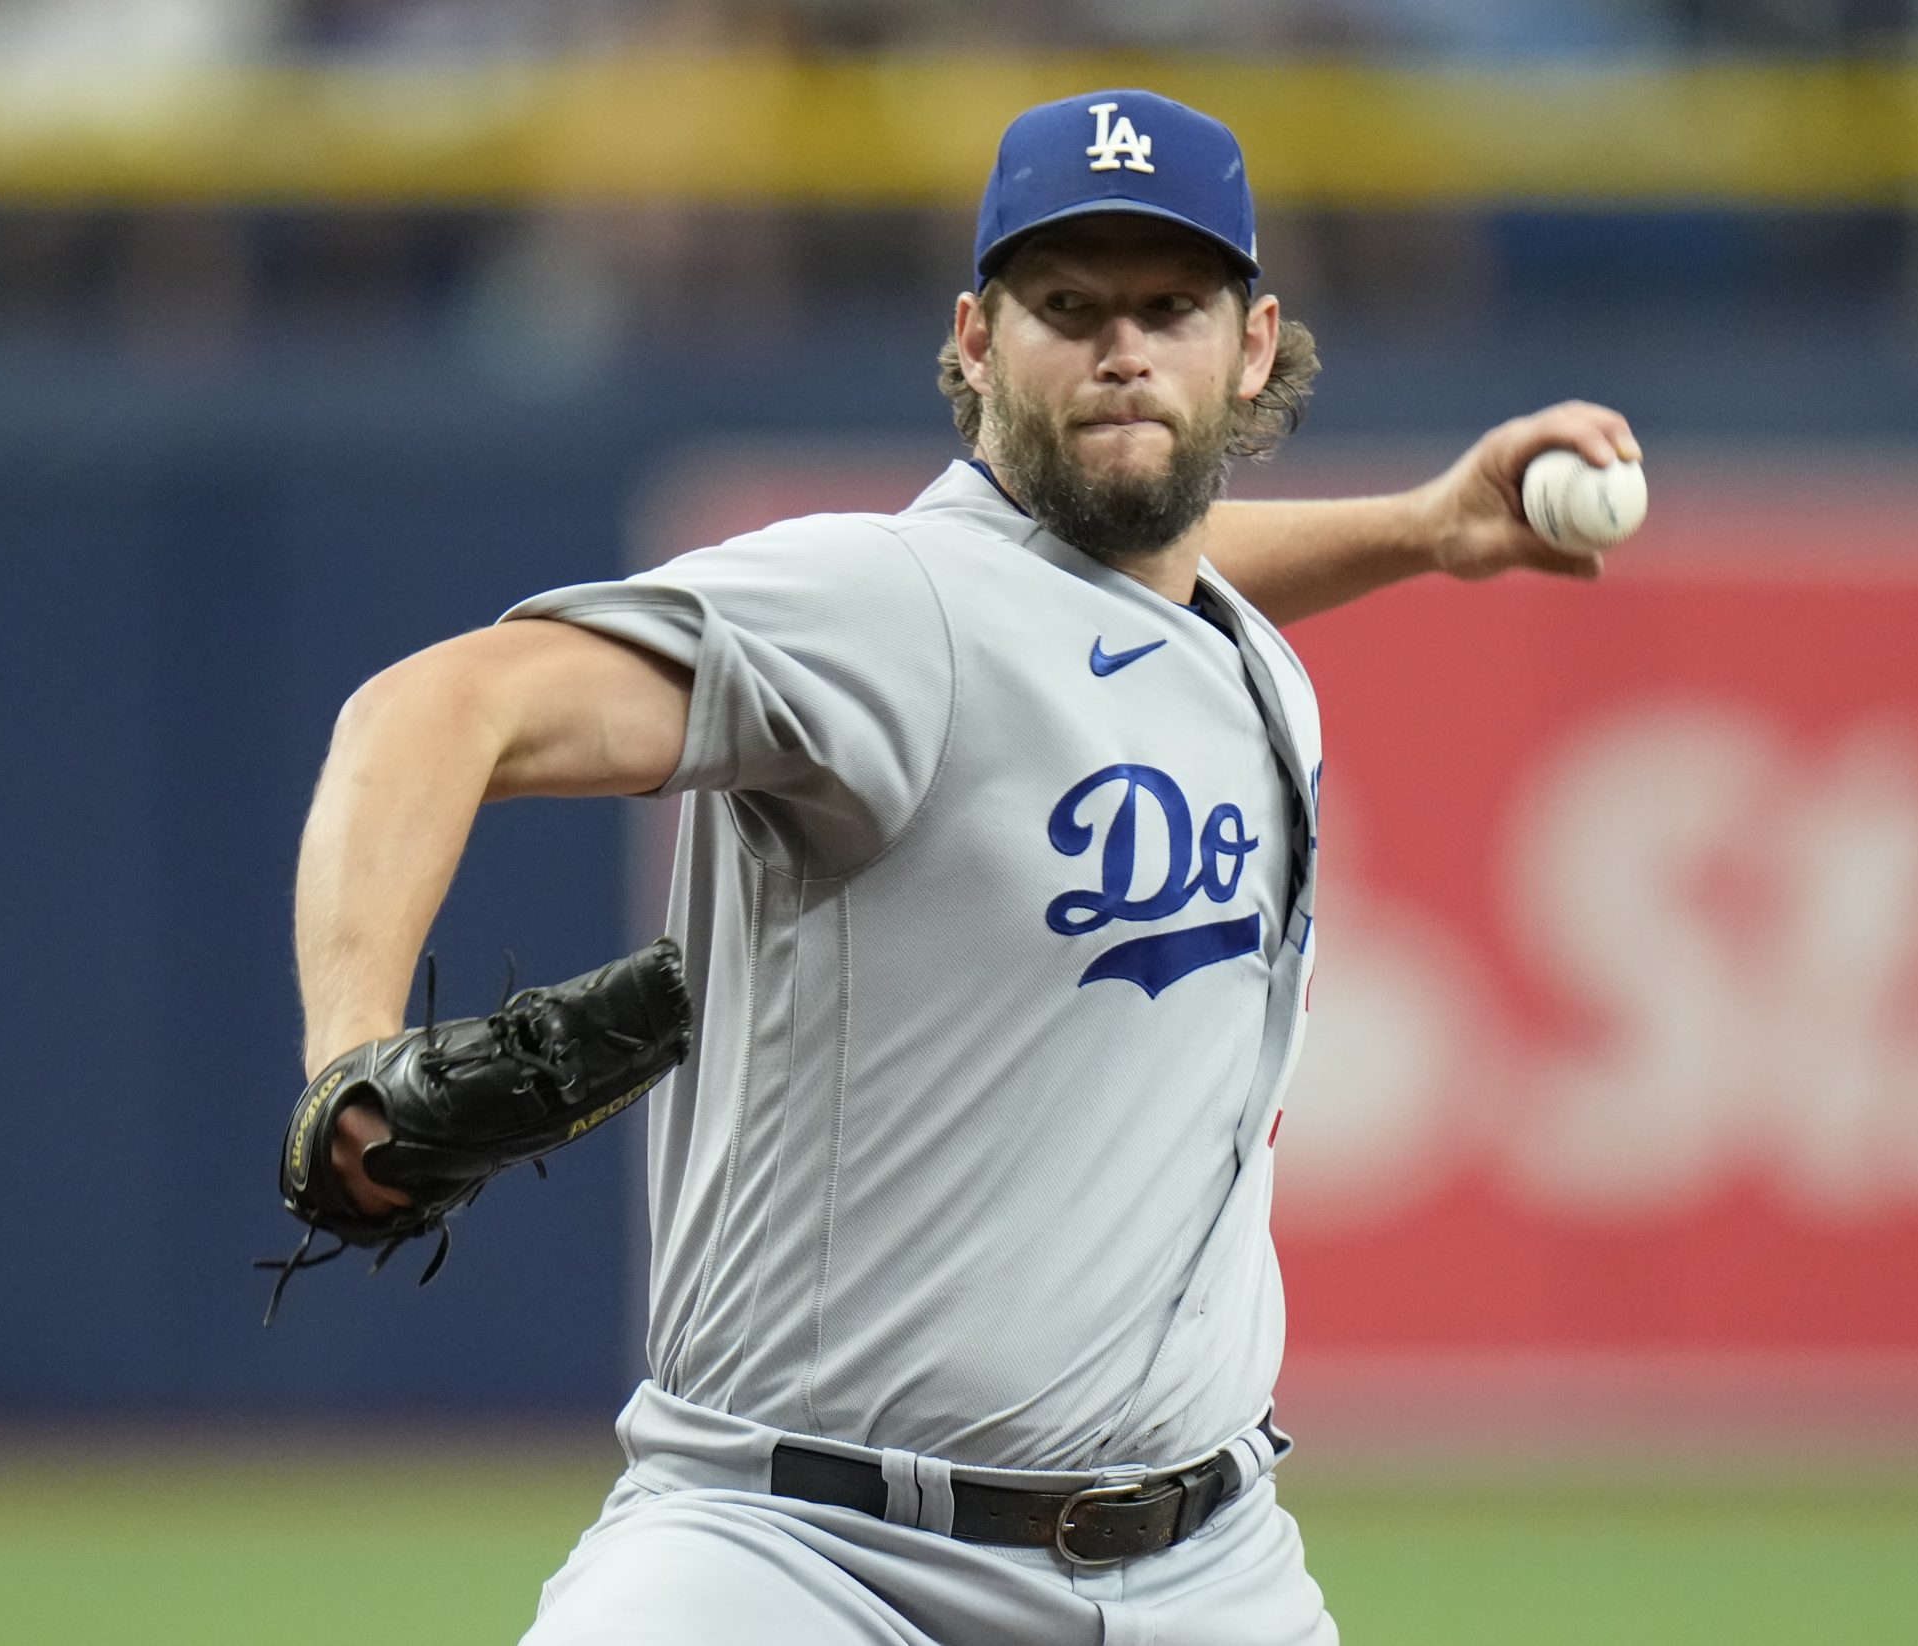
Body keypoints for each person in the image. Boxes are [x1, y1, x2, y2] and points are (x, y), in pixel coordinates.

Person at [292, 88, 1639, 1645]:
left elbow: (1142, 581)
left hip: (1208, 1566)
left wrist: (1421, 527)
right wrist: (348, 1053)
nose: (1122, 347)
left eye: (1169, 305)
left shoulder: (1236, 651)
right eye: (1068, 308)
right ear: (978, 345)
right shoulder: (878, 604)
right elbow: (433, 708)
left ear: (1252, 344)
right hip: (799, 1556)